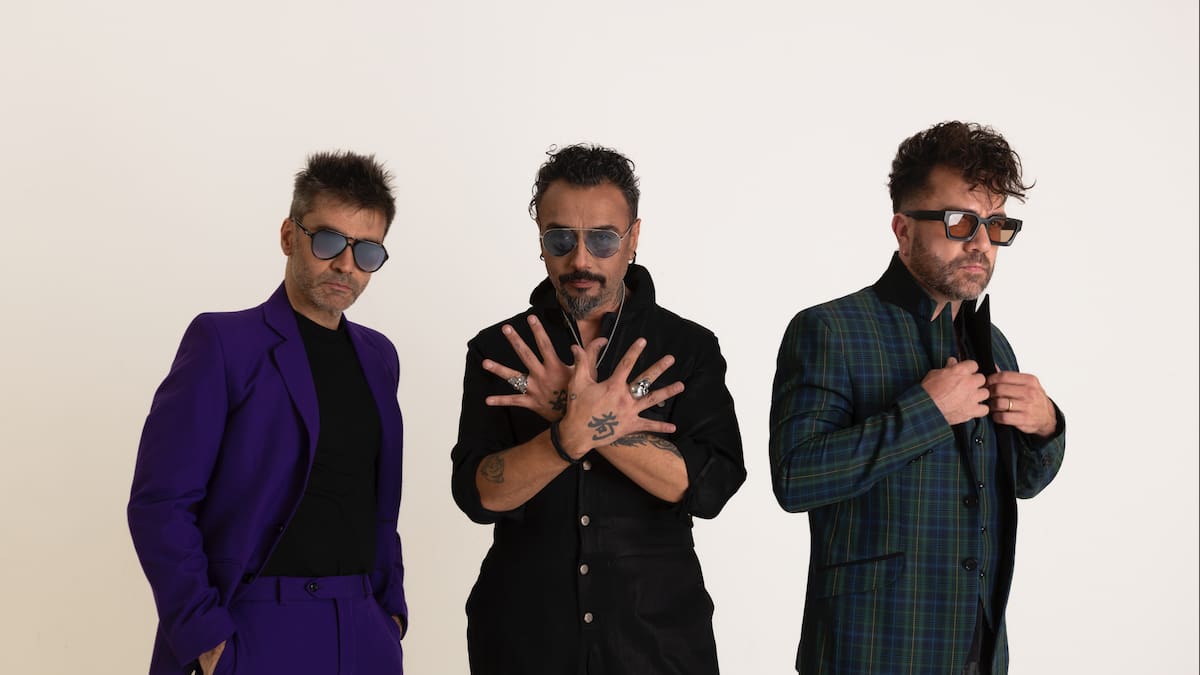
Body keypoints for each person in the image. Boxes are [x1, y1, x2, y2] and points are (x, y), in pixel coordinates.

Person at [769, 121, 1066, 675]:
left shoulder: (993, 343)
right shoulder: (829, 329)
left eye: (995, 225)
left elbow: (1022, 483)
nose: (981, 243)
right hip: (870, 650)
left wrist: (1046, 426)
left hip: (978, 651)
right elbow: (794, 478)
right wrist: (926, 413)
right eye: (960, 222)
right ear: (902, 230)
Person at [451, 144, 746, 674]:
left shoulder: (688, 347)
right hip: (523, 644)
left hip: (657, 646)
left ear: (633, 238)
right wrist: (565, 438)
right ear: (540, 238)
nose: (581, 260)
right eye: (561, 238)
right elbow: (479, 495)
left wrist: (583, 419)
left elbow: (709, 489)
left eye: (603, 239)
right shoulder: (497, 350)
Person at [128, 151, 408, 675]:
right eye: (329, 241)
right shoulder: (222, 343)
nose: (346, 265)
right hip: (254, 623)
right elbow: (160, 503)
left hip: (363, 625)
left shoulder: (379, 357)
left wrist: (389, 613)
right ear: (288, 236)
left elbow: (377, 503)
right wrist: (207, 638)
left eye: (367, 251)